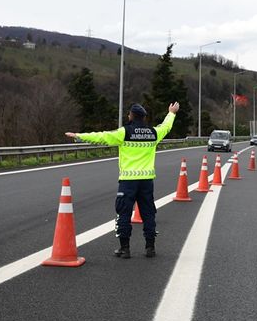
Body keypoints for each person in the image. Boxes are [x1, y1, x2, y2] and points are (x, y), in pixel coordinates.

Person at [65, 102, 179, 258]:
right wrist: (171, 113)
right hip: (146, 181)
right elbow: (165, 127)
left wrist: (79, 136)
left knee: (124, 213)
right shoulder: (153, 133)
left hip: (128, 181)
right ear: (144, 117)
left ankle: (125, 249)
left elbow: (102, 136)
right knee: (148, 213)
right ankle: (150, 247)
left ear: (131, 116)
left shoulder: (124, 132)